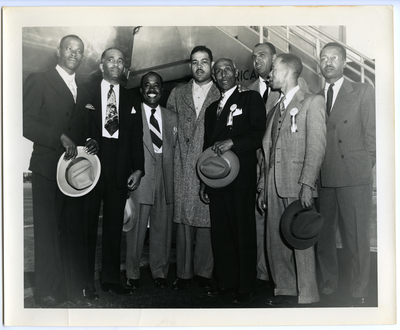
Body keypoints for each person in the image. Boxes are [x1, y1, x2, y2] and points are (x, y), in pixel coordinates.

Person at [23, 34, 98, 307]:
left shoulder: (85, 88)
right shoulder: (39, 80)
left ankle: (71, 289)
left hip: (73, 172)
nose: (74, 54)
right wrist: (59, 137)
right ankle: (46, 290)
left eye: (79, 51)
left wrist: (92, 140)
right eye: (69, 49)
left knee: (72, 231)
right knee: (46, 231)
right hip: (46, 168)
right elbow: (26, 123)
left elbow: (85, 128)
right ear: (58, 51)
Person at [257, 53, 326, 306]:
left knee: (301, 238)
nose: (270, 74)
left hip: (297, 185)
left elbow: (316, 147)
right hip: (273, 185)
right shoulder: (275, 107)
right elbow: (268, 150)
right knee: (276, 240)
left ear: (287, 73)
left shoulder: (312, 102)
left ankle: (308, 296)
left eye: (274, 69)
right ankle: (284, 289)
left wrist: (307, 184)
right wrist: (263, 186)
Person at [200, 58, 266, 304]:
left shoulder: (251, 99)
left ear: (236, 73)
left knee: (242, 231)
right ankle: (225, 281)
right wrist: (204, 181)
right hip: (217, 177)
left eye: (228, 69)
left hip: (241, 176)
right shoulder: (210, 110)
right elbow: (207, 147)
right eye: (218, 71)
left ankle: (246, 285)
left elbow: (258, 134)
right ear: (214, 78)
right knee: (221, 233)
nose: (223, 73)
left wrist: (233, 143)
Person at [316, 42, 376, 306]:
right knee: (324, 235)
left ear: (343, 61)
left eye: (334, 58)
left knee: (357, 236)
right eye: (324, 58)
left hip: (354, 174)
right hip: (324, 175)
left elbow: (371, 134)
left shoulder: (362, 90)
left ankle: (359, 289)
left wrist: (364, 165)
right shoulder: (316, 97)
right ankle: (329, 286)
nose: (328, 62)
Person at [85, 47, 145, 298]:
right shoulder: (86, 91)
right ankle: (85, 282)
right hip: (91, 163)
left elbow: (136, 136)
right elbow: (77, 124)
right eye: (110, 59)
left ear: (124, 68)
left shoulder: (131, 97)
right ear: (101, 65)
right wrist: (87, 139)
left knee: (113, 226)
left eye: (120, 61)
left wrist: (139, 168)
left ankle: (110, 279)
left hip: (120, 167)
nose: (116, 64)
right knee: (87, 225)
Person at [166, 46, 219, 290]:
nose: (199, 66)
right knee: (184, 219)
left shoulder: (221, 93)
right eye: (195, 62)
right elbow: (169, 130)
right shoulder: (178, 93)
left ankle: (204, 272)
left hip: (209, 164)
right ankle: (184, 273)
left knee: (207, 220)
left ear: (212, 64)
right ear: (190, 65)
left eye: (204, 61)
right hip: (181, 163)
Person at [125, 72, 177, 289]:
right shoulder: (131, 114)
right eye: (147, 85)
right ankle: (132, 274)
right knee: (135, 229)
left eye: (156, 85)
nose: (152, 89)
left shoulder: (172, 117)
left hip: (165, 178)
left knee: (162, 229)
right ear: (141, 90)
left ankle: (159, 272)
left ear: (162, 89)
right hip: (141, 177)